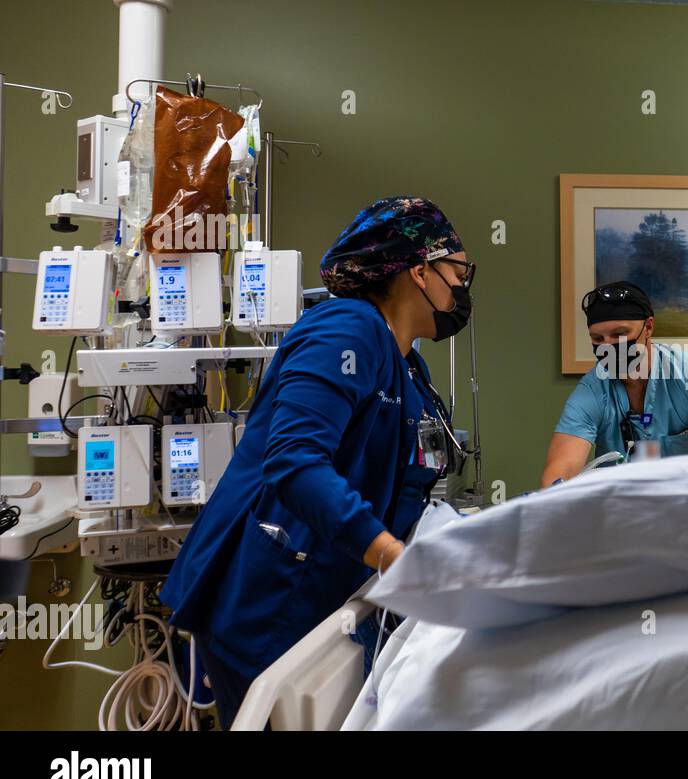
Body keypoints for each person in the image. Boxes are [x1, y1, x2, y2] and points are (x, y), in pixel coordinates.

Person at [160, 196, 474, 727]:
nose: (463, 289)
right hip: (264, 597)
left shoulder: (407, 367)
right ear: (420, 271)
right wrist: (392, 556)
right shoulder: (344, 330)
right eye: (458, 272)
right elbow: (295, 461)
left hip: (322, 590)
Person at [540, 281, 688, 485]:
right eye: (597, 339)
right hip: (621, 507)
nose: (608, 346)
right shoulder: (593, 390)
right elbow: (561, 470)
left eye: (620, 334)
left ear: (648, 327)